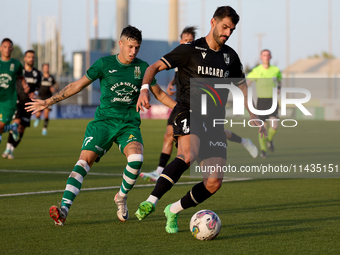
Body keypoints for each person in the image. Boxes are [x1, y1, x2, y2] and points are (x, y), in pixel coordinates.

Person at [25, 26, 176, 226]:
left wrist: (181, 109)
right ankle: (63, 210)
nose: (133, 52)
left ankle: (121, 198)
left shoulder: (143, 68)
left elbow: (161, 94)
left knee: (137, 159)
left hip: (128, 125)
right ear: (120, 44)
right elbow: (77, 85)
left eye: (137, 48)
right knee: (82, 164)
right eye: (130, 46)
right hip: (103, 123)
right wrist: (48, 102)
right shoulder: (104, 64)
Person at [135, 6, 266, 233]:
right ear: (213, 22)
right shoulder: (189, 50)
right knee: (188, 154)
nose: (227, 33)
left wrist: (252, 113)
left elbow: (243, 86)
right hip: (188, 110)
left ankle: (172, 210)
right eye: (224, 27)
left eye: (231, 30)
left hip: (214, 121)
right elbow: (154, 66)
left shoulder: (230, 57)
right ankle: (152, 200)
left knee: (214, 183)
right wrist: (144, 88)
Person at [139, 26, 258, 182]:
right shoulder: (180, 57)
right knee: (169, 135)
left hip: (199, 107)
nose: (187, 42)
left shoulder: (196, 56)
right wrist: (171, 85)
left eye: (190, 40)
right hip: (181, 106)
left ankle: (243, 141)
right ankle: (161, 171)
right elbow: (173, 77)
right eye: (185, 40)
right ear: (180, 41)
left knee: (212, 134)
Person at [2, 50, 41, 159]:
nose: (31, 59)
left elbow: (38, 88)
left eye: (33, 57)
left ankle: (11, 150)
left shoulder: (37, 73)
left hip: (29, 104)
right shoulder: (19, 71)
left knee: (21, 129)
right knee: (16, 122)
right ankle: (7, 148)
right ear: (25, 58)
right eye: (29, 57)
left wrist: (35, 93)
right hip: (17, 101)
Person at [247, 49, 282, 158]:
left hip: (273, 100)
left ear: (270, 57)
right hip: (261, 102)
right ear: (261, 57)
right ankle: (263, 150)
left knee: (274, 126)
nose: (266, 57)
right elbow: (247, 82)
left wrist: (279, 88)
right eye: (264, 55)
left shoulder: (275, 70)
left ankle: (269, 140)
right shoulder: (256, 71)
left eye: (268, 55)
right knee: (262, 128)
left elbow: (279, 80)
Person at [0, 38, 29, 151]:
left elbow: (21, 77)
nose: (7, 49)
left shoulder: (16, 64)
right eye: (5, 47)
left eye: (9, 47)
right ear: (0, 48)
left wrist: (25, 85)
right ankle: (12, 127)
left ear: (12, 49)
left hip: (9, 101)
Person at [34, 63, 57, 135]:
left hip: (48, 99)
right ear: (43, 69)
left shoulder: (51, 78)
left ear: (48, 68)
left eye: (47, 67)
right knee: (38, 114)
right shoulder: (40, 77)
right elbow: (36, 85)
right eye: (45, 67)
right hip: (40, 98)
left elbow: (56, 86)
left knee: (46, 115)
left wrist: (54, 88)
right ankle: (38, 119)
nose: (46, 69)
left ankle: (44, 129)